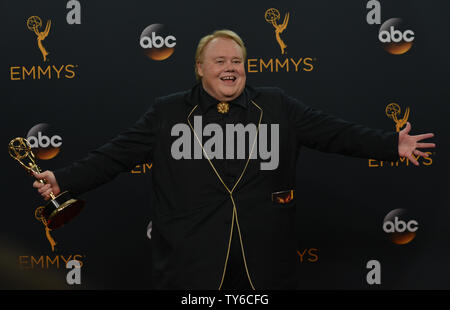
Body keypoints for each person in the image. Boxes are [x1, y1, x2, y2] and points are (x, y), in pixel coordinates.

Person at [32, 29, 435, 290]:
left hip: (264, 266)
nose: (231, 68)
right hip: (190, 266)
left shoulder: (277, 106)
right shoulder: (168, 113)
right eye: (221, 61)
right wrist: (62, 181)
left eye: (237, 61)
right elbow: (115, 156)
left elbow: (337, 134)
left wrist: (390, 146)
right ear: (199, 69)